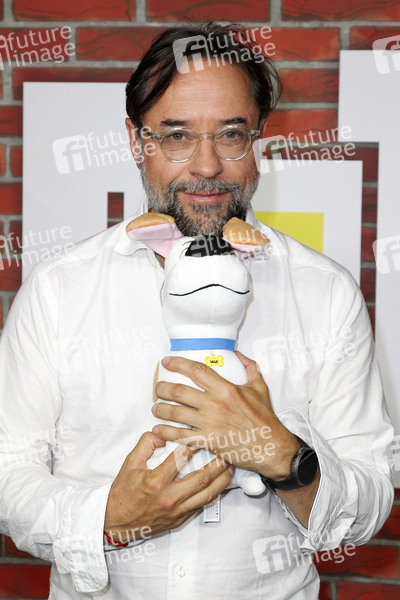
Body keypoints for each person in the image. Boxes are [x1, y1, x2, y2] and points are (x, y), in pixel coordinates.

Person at [0, 21, 394, 600]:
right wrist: (109, 519)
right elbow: (8, 472)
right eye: (177, 136)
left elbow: (371, 496)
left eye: (230, 134)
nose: (206, 166)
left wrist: (283, 455)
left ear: (258, 140)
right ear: (137, 141)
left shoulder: (325, 292)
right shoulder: (59, 289)